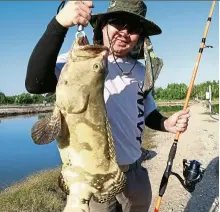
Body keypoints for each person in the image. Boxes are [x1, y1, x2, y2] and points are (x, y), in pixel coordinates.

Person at [25, 0, 190, 211]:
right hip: (94, 176)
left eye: (133, 28)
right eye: (118, 23)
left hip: (136, 172)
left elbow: (146, 112)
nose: (124, 32)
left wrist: (167, 123)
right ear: (102, 25)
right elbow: (34, 83)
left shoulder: (141, 71)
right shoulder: (79, 62)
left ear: (140, 36)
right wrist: (58, 24)